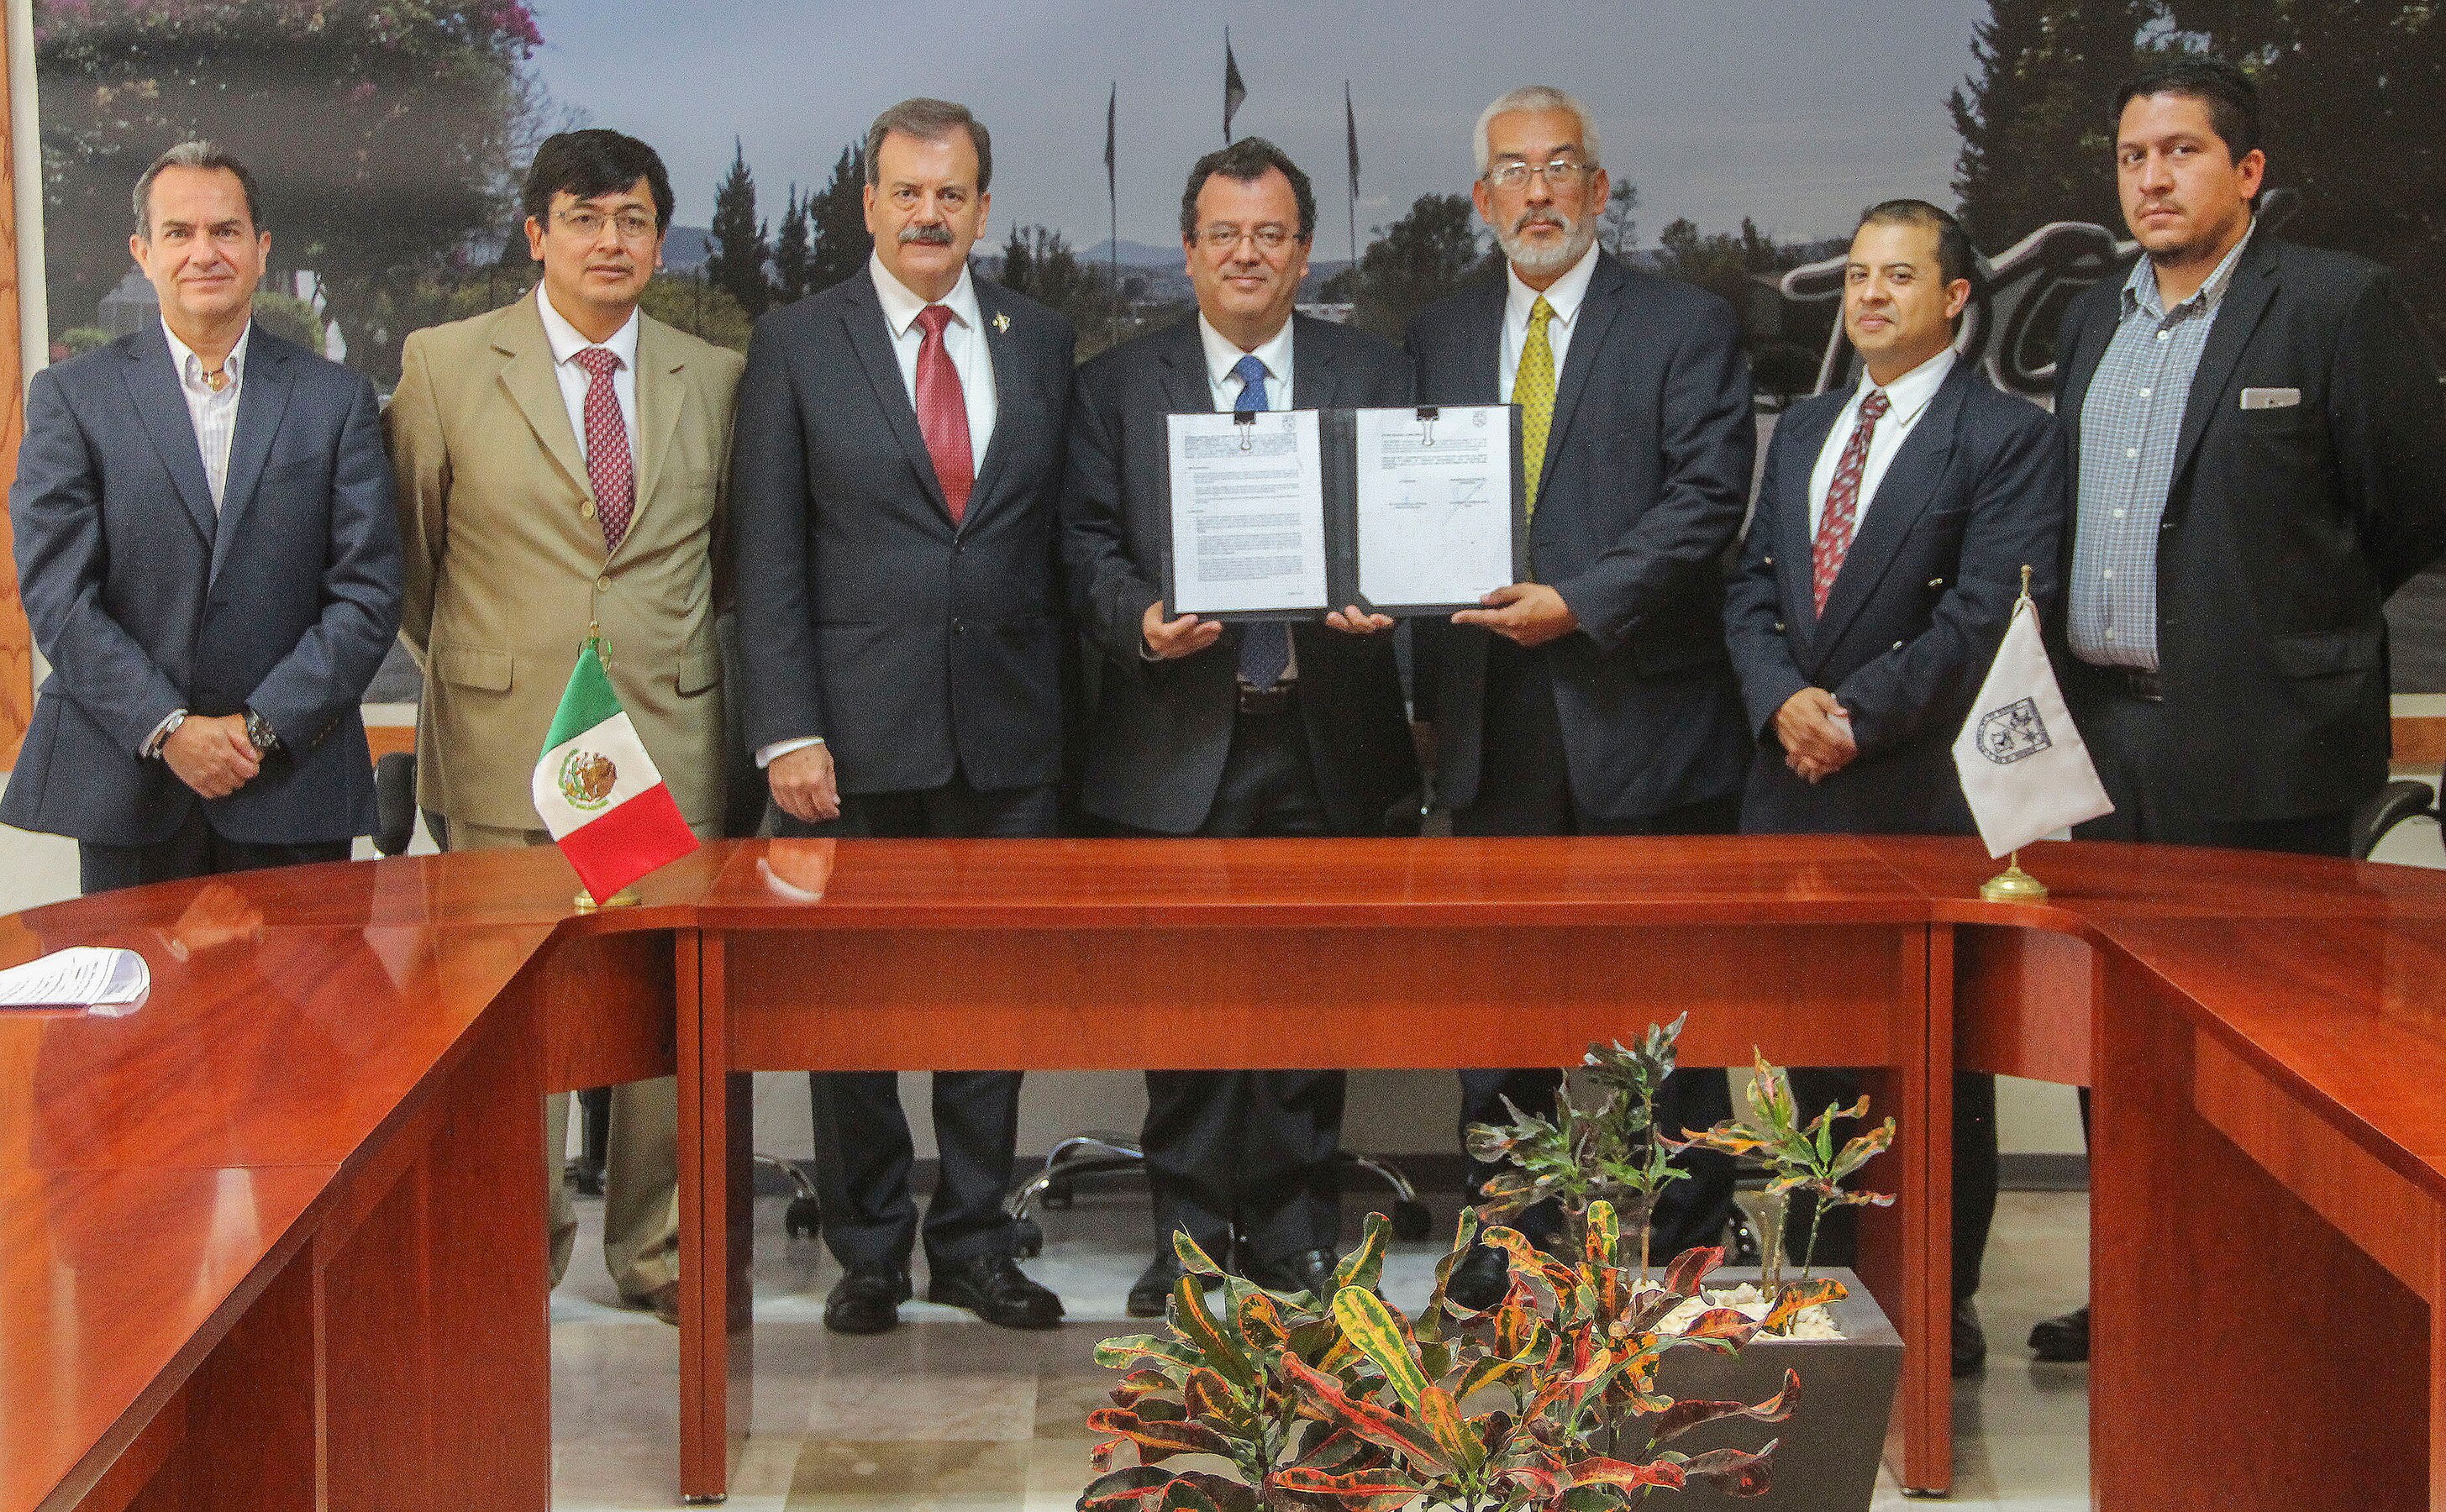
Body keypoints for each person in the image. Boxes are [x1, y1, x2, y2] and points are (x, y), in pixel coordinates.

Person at [2031, 55, 2446, 1363]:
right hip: (2104, 745)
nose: (2150, 179)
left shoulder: (2331, 303)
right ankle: (2138, 1288)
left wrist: (2290, 636)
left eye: (2180, 153)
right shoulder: (2091, 321)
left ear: (2246, 170)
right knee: (2117, 1039)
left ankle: (2267, 1312)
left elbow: (2407, 506)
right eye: (2131, 157)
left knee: (2265, 1049)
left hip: (2264, 747)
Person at [386, 129, 744, 1325]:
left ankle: (659, 1252)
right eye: (584, 219)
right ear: (536, 233)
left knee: (661, 1010)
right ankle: (510, 1253)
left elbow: (728, 561)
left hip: (664, 738)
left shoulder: (714, 376)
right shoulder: (445, 365)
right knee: (512, 1013)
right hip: (508, 745)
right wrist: (495, 670)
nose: (610, 241)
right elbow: (410, 564)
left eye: (633, 220)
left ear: (660, 241)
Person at [728, 98, 1071, 1335]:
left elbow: (1056, 541)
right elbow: (765, 551)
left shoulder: (1039, 338)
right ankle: (869, 1249)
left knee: (988, 1000)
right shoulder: (795, 341)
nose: (929, 215)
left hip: (1009, 738)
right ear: (868, 204)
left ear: (982, 208)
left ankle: (975, 1242)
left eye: (951, 194)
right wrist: (786, 730)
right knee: (851, 1004)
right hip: (846, 743)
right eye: (907, 193)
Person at [1406, 87, 1753, 1305]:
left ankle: (1688, 1244)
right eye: (1512, 171)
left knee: (1669, 1018)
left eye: (1560, 168)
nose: (1538, 192)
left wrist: (1580, 600)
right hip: (1490, 726)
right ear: (1481, 199)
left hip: (1640, 717)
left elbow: (1706, 501)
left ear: (1599, 190)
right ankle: (1505, 1241)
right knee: (1499, 1008)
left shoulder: (1684, 324)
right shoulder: (1437, 334)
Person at [1063, 137, 1418, 1316]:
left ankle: (1295, 1235)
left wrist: (1393, 592)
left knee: (1308, 1001)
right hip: (1174, 741)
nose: (1247, 255)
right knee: (1184, 1005)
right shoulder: (1118, 384)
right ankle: (1187, 1238)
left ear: (1304, 252)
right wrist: (1137, 619)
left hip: (1329, 733)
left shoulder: (1374, 373)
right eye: (1224, 234)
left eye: (1270, 235)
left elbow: (1410, 522)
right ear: (1188, 251)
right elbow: (1083, 546)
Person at [1723, 199, 2068, 1375]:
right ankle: (1818, 1281)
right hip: (1791, 787)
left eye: (1899, 275)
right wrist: (1781, 700)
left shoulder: (2005, 436)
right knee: (1805, 1057)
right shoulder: (1807, 424)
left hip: (1917, 794)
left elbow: (1986, 616)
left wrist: (1853, 721)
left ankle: (1937, 1293)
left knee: (1935, 1061)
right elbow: (1750, 587)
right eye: (1858, 276)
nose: (1869, 295)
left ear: (1956, 297)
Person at [4, 142, 401, 895]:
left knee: (305, 980)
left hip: (293, 786)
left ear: (261, 249)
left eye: (225, 231)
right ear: (143, 253)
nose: (204, 253)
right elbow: (57, 594)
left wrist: (260, 728)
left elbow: (369, 593)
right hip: (131, 788)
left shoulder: (335, 399)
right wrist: (168, 728)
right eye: (179, 233)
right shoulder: (73, 397)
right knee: (136, 978)